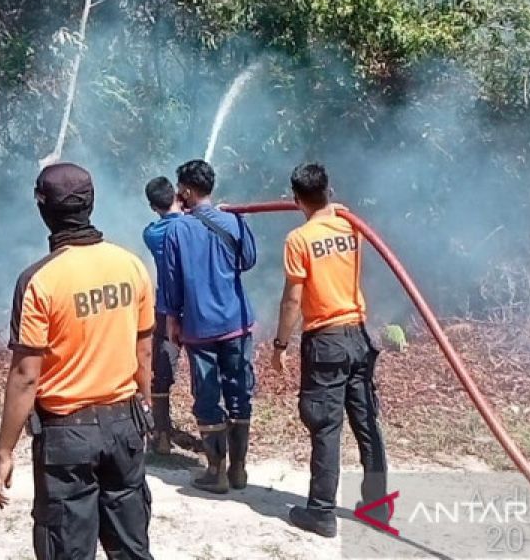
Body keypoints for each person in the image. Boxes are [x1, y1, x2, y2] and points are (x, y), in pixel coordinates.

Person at [0, 162, 156, 560]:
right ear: (90, 204)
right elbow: (144, 352)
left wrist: (4, 452)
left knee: (66, 550)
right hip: (125, 426)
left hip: (66, 436)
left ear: (42, 208)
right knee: (132, 549)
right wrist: (144, 408)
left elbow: (27, 376)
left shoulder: (39, 280)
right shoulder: (131, 265)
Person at [271, 163, 388, 538]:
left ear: (295, 199)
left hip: (325, 341)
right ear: (330, 191)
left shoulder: (299, 239)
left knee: (325, 426)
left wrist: (280, 344)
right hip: (358, 336)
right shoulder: (352, 225)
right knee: (367, 423)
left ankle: (321, 512)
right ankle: (377, 507)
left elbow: (293, 298)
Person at [160, 159, 257, 494]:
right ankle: (239, 469)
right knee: (239, 390)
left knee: (207, 394)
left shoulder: (177, 229)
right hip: (237, 321)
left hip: (200, 326)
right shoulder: (235, 220)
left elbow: (169, 283)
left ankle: (215, 471)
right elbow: (248, 260)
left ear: (186, 190)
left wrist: (172, 319)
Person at [141, 176, 185, 454]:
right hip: (198, 310)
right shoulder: (193, 226)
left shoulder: (152, 233)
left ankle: (162, 433)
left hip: (168, 308)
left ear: (152, 205)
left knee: (162, 369)